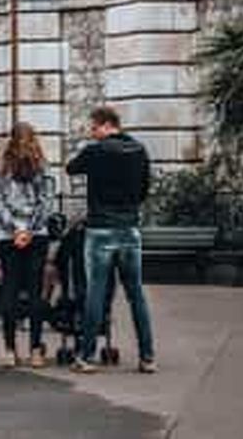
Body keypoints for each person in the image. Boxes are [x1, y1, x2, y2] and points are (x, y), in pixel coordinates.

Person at [65, 105, 156, 373]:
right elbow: (143, 190)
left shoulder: (95, 151)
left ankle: (87, 356)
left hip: (100, 228)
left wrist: (90, 152)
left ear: (105, 125)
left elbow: (71, 168)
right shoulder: (139, 151)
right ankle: (147, 356)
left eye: (94, 128)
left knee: (96, 293)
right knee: (136, 294)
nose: (93, 134)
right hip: (129, 228)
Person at [0, 121, 53, 368]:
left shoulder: (1, 168)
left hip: (8, 237)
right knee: (35, 290)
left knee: (10, 289)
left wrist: (14, 230)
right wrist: (29, 230)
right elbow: (46, 203)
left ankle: (9, 350)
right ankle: (36, 351)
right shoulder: (42, 166)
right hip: (36, 235)